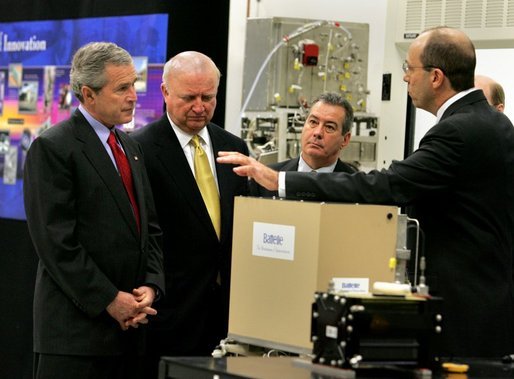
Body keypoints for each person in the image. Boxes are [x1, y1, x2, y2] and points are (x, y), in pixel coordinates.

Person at [217, 26, 514, 358]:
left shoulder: (456, 132)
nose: (404, 79)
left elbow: (388, 186)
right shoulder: (495, 123)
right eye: (312, 122)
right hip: (490, 299)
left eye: (409, 69)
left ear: (436, 77)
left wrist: (278, 181)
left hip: (463, 308)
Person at [23, 42, 165, 379]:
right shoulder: (54, 147)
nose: (134, 95)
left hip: (130, 334)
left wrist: (151, 285)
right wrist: (109, 299)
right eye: (122, 88)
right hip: (76, 338)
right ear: (88, 94)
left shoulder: (130, 146)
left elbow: (149, 228)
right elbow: (57, 244)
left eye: (134, 85)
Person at [131, 51, 249, 373]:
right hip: (170, 315)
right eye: (189, 97)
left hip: (227, 318)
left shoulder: (234, 147)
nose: (200, 107)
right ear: (165, 92)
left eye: (208, 97)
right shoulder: (139, 149)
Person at [250, 92, 357, 197]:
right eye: (313, 122)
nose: (317, 133)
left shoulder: (355, 187)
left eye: (329, 127)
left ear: (345, 140)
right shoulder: (265, 179)